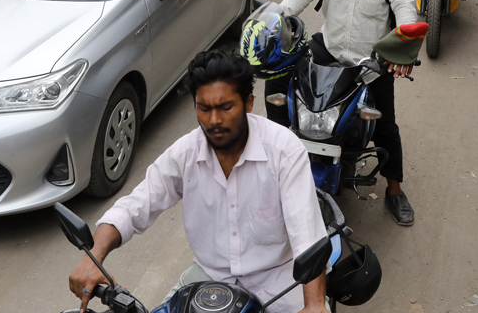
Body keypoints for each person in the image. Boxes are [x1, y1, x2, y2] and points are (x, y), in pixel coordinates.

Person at [67, 50, 330, 313]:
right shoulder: (185, 153)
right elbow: (135, 206)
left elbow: (307, 235)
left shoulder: (284, 150)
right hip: (210, 278)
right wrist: (94, 257)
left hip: (278, 282)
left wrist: (315, 304)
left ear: (248, 103)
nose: (214, 120)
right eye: (204, 108)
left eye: (226, 107)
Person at [279, 0, 418, 226]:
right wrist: (277, 19)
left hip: (371, 61)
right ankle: (275, 162)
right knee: (284, 91)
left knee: (385, 125)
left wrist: (405, 47)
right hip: (328, 49)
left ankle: (395, 190)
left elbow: (405, 9)